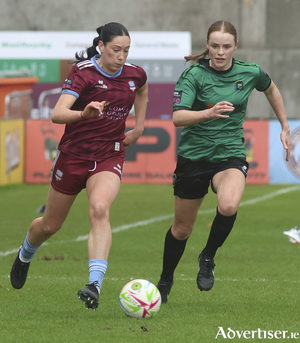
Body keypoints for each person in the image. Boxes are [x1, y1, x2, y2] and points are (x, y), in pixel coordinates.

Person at [10, 22, 148, 310]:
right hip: (73, 156)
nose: (121, 56)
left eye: (126, 50)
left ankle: (94, 284)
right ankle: (25, 254)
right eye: (115, 50)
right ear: (101, 47)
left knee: (99, 209)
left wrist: (138, 128)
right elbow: (58, 114)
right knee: (50, 225)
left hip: (109, 155)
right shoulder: (83, 73)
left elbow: (142, 91)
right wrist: (84, 113)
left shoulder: (135, 74)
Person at [156, 20, 291, 304]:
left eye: (226, 46)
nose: (220, 52)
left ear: (235, 47)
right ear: (207, 46)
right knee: (182, 229)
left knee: (228, 205)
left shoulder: (249, 71)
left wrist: (284, 126)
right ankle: (165, 279)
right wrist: (208, 112)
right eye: (214, 46)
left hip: (229, 154)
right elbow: (178, 118)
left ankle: (208, 256)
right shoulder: (193, 74)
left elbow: (271, 90)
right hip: (193, 157)